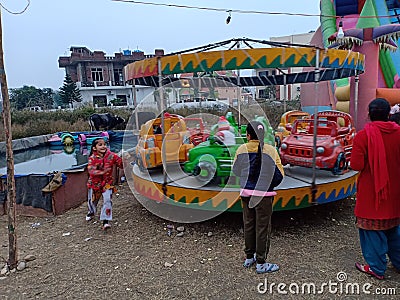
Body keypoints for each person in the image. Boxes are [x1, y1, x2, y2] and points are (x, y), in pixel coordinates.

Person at [350, 98, 400, 280]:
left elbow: (355, 165)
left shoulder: (363, 136)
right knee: (394, 228)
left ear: (369, 114)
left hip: (373, 194)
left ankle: (377, 268)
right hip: (395, 192)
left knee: (372, 230)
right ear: (389, 114)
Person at [232, 121, 284, 274]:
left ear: (248, 135)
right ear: (263, 135)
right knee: (262, 228)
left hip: (246, 195)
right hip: (264, 196)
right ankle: (261, 262)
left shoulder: (241, 149)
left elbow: (236, 170)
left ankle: (249, 257)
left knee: (248, 224)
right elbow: (279, 175)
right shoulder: (271, 151)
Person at [86, 137, 123, 230]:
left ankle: (105, 221)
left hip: (107, 183)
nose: (103, 146)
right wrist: (102, 172)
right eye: (100, 145)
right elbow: (91, 171)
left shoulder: (111, 156)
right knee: (92, 201)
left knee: (107, 201)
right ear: (94, 148)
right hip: (94, 184)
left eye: (104, 144)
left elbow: (121, 164)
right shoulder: (92, 158)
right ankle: (91, 212)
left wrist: (126, 159)